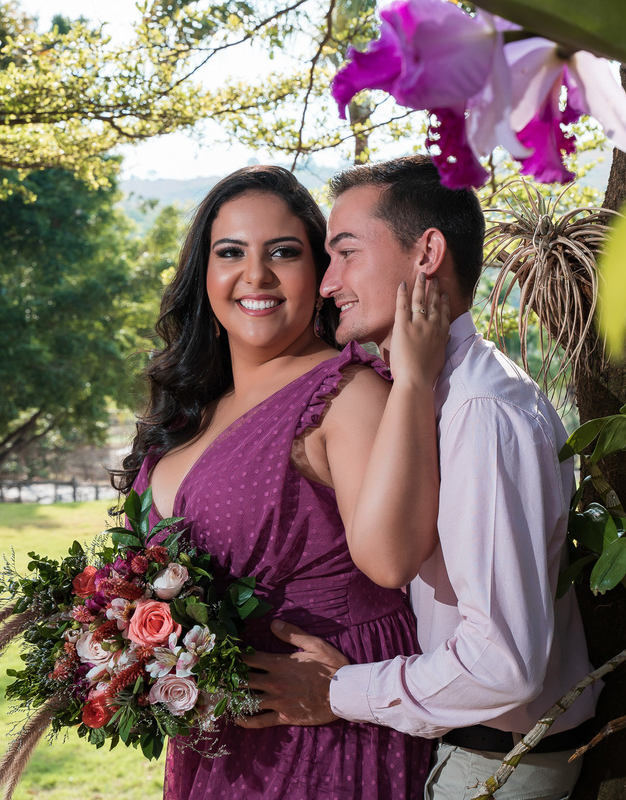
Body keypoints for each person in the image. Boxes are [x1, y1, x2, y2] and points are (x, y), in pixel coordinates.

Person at [240, 155, 599, 799]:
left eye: (346, 253)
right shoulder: (440, 393)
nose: (327, 284)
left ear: (427, 252)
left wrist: (340, 692)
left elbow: (503, 665)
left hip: (497, 764)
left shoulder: (479, 412)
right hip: (474, 752)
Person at [111, 164, 449, 800]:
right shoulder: (199, 405)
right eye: (230, 252)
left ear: (319, 276)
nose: (256, 275)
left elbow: (395, 559)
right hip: (217, 730)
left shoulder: (347, 393)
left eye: (284, 253)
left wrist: (413, 382)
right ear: (203, 274)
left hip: (322, 720)